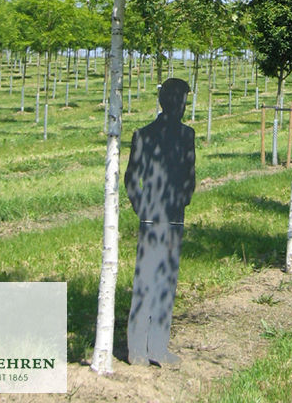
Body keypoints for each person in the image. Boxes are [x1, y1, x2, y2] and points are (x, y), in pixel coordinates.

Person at [124, 77, 195, 368]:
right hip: (152, 218)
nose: (182, 106)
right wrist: (143, 208)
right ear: (167, 101)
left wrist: (183, 199)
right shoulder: (144, 135)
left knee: (167, 280)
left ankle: (158, 347)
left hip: (175, 218)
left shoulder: (188, 135)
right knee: (146, 281)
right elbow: (131, 178)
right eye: (179, 99)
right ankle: (137, 349)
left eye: (184, 100)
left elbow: (190, 173)